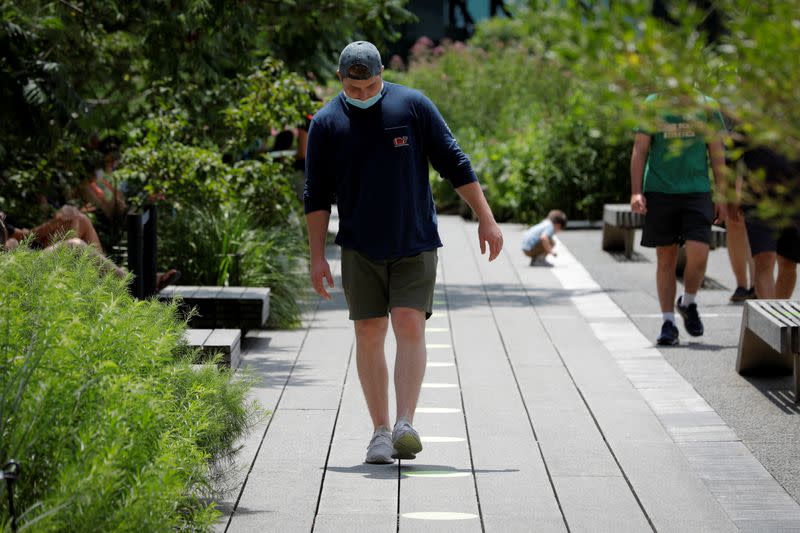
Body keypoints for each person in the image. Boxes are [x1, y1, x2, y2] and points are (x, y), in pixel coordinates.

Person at [304, 41, 503, 465]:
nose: (362, 95)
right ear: (341, 81)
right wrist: (316, 256)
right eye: (354, 89)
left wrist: (485, 217)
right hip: (360, 247)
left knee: (409, 323)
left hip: (414, 240)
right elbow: (315, 194)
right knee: (369, 331)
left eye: (371, 86)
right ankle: (379, 431)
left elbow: (453, 159)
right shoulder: (325, 123)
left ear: (381, 78)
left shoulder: (412, 106)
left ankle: (404, 423)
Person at [630, 92, 728, 346]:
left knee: (700, 253)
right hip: (661, 191)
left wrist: (722, 195)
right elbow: (640, 149)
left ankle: (688, 302)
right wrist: (636, 191)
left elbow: (717, 153)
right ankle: (668, 323)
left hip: (697, 191)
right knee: (666, 258)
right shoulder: (652, 104)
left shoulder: (707, 105)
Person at [736, 146, 800, 299]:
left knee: (788, 262)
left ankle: (778, 317)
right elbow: (734, 151)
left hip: (793, 195)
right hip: (757, 197)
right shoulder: (750, 121)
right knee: (765, 258)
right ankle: (769, 320)